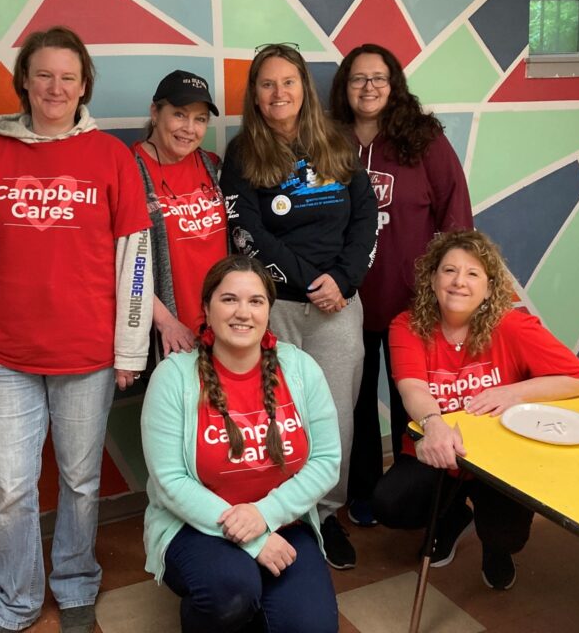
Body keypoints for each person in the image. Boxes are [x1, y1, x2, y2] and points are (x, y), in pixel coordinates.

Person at [0, 26, 153, 633]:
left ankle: (75, 583)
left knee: (80, 481)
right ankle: (14, 601)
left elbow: (135, 262)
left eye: (68, 76)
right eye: (43, 75)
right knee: (11, 488)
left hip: (87, 355)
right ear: (24, 83)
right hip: (7, 354)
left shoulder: (112, 158)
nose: (55, 87)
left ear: (84, 83)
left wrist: (129, 347)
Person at [219, 42, 378, 569]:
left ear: (303, 89)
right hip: (277, 308)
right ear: (256, 97)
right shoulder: (243, 154)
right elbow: (249, 233)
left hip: (339, 305)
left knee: (334, 416)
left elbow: (364, 218)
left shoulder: (337, 142)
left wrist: (344, 281)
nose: (279, 92)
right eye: (267, 84)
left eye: (288, 82)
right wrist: (314, 282)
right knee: (275, 414)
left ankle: (327, 515)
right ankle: (281, 514)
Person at [372, 229, 579, 590]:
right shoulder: (407, 325)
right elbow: (412, 387)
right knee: (390, 504)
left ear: (489, 288)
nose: (459, 282)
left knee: (508, 536)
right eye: (449, 271)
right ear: (432, 279)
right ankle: (453, 516)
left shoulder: (513, 327)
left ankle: (495, 547)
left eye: (473, 274)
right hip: (439, 454)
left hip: (499, 458)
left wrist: (514, 393)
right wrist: (434, 424)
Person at [142, 255, 341, 633]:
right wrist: (256, 541)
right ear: (206, 308)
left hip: (285, 520)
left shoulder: (299, 368)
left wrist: (266, 516)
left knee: (311, 626)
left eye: (255, 301)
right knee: (231, 593)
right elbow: (170, 480)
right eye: (229, 299)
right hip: (195, 525)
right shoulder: (173, 378)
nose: (242, 312)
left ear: (269, 310)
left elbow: (327, 461)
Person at [328, 43, 473, 528]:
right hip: (347, 300)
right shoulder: (329, 140)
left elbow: (455, 212)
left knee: (417, 403)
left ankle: (418, 492)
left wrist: (450, 283)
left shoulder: (423, 139)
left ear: (394, 86)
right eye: (357, 79)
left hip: (411, 303)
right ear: (344, 88)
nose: (368, 87)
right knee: (357, 401)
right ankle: (365, 490)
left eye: (378, 78)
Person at [133, 69, 228, 363]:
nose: (190, 128)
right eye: (179, 114)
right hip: (173, 332)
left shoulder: (212, 164)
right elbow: (119, 266)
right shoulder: (129, 169)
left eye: (200, 119)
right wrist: (165, 321)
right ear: (155, 112)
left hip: (224, 327)